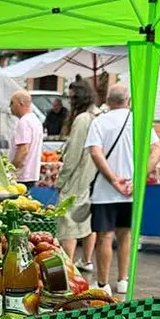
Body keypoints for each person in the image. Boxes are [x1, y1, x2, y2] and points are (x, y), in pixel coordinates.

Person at [85, 83, 160, 295]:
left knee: (104, 236)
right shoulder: (139, 121)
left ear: (108, 101)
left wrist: (112, 179)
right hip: (131, 190)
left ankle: (102, 283)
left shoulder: (100, 121)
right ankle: (123, 280)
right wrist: (139, 178)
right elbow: (157, 149)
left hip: (105, 191)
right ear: (128, 101)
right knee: (126, 234)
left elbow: (95, 152)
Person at [55, 80, 99, 271]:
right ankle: (87, 260)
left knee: (68, 221)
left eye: (72, 97)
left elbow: (73, 154)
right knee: (88, 220)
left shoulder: (82, 119)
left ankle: (68, 266)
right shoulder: (99, 114)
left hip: (79, 175)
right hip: (93, 175)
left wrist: (61, 180)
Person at [9, 90, 44, 188]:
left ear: (20, 104)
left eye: (12, 103)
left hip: (22, 176)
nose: (10, 106)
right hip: (32, 174)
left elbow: (23, 149)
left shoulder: (24, 122)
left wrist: (11, 170)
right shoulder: (35, 120)